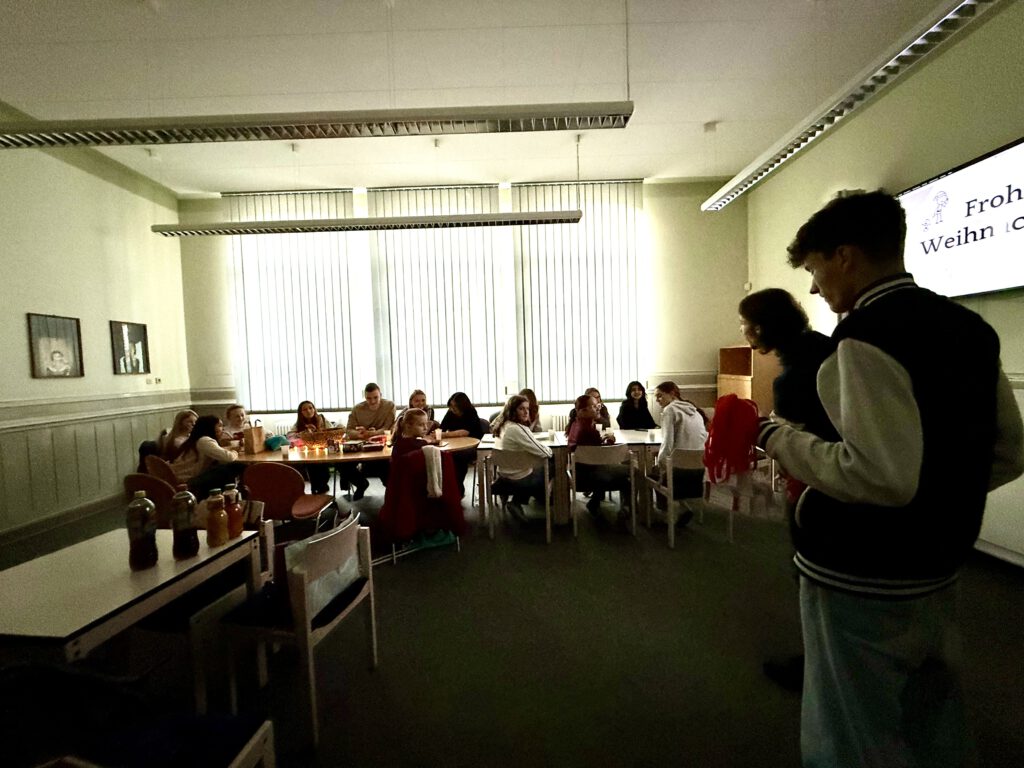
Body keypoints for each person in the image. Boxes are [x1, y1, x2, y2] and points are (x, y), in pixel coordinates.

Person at [756, 190, 1023, 768]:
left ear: (845, 256)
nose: (814, 288)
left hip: (861, 571)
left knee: (852, 725)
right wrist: (939, 503)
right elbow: (1009, 450)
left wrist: (776, 438)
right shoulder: (970, 329)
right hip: (940, 560)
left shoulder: (864, 337)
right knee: (933, 715)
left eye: (814, 269)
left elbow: (879, 475)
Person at [739, 288, 839, 692]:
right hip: (841, 488)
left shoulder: (794, 378)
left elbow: (796, 444)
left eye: (746, 324)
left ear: (762, 327)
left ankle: (819, 667)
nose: (744, 331)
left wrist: (765, 431)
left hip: (817, 491)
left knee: (813, 578)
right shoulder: (827, 349)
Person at [567, 393, 631, 521]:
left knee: (619, 477)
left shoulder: (575, 425)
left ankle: (595, 502)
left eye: (598, 405)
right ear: (583, 411)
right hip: (591, 474)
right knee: (632, 471)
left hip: (578, 472)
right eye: (594, 406)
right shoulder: (590, 431)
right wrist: (610, 440)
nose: (598, 408)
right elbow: (602, 455)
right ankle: (628, 507)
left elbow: (592, 450)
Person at [652, 381, 708, 525]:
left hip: (677, 473)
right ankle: (682, 507)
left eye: (660, 396)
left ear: (672, 393)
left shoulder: (670, 410)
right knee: (668, 467)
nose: (657, 400)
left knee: (651, 473)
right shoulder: (696, 411)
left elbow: (667, 443)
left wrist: (660, 464)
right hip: (698, 471)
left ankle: (665, 513)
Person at [493, 394, 553, 521]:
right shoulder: (518, 429)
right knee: (552, 462)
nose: (526, 412)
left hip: (503, 475)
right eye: (521, 409)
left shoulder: (503, 425)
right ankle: (537, 500)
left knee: (536, 465)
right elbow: (545, 453)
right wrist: (548, 449)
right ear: (513, 410)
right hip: (518, 478)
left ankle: (520, 500)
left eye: (527, 409)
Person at [343, 383, 397, 499]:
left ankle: (392, 492)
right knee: (342, 464)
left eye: (375, 397)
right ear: (365, 397)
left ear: (381, 395)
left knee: (384, 464)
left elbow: (388, 428)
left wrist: (370, 433)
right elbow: (349, 430)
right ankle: (361, 484)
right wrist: (360, 434)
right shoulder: (357, 409)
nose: (372, 401)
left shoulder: (389, 406)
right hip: (360, 444)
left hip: (381, 444)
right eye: (368, 398)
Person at [170, 415, 241, 498]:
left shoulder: (198, 439)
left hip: (182, 477)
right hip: (187, 480)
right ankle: (232, 497)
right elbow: (229, 458)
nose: (223, 429)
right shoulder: (204, 441)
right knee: (233, 467)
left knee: (226, 467)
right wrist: (235, 451)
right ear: (210, 427)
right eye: (219, 426)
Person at [440, 392, 485, 496]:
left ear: (462, 406)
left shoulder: (471, 412)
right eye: (451, 406)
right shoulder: (450, 413)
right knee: (445, 456)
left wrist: (444, 435)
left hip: (474, 445)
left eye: (455, 406)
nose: (452, 409)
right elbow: (442, 428)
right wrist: (436, 434)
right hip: (456, 444)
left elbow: (465, 432)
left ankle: (458, 490)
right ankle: (450, 489)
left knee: (458, 458)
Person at [287, 400, 332, 495]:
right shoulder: (299, 424)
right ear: (301, 413)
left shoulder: (322, 419)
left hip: (323, 451)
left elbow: (331, 431)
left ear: (314, 409)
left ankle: (320, 489)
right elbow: (289, 437)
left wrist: (317, 431)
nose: (308, 411)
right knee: (312, 470)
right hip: (307, 453)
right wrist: (304, 433)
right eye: (305, 409)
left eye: (310, 408)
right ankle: (315, 491)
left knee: (325, 474)